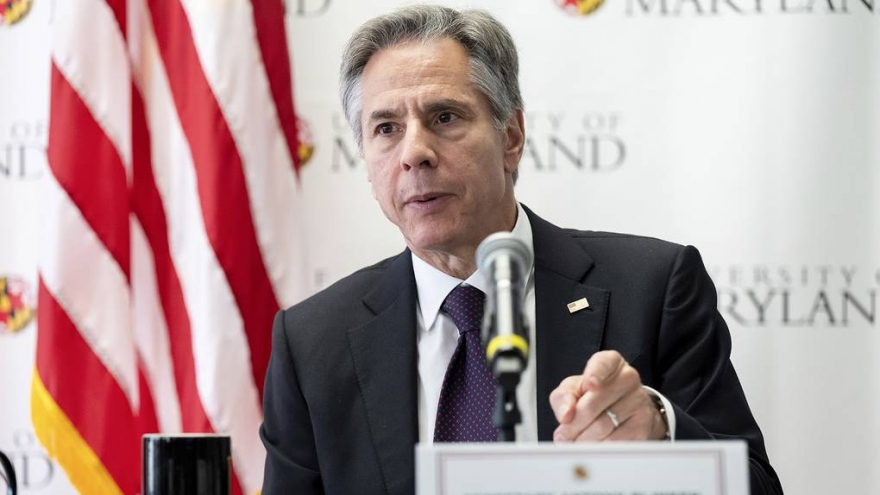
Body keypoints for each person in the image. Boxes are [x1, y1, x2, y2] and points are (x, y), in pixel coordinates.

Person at [260, 5, 783, 494]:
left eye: (444, 117)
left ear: (511, 135)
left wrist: (662, 433)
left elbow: (755, 485)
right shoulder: (312, 343)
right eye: (386, 128)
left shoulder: (653, 289)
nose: (414, 152)